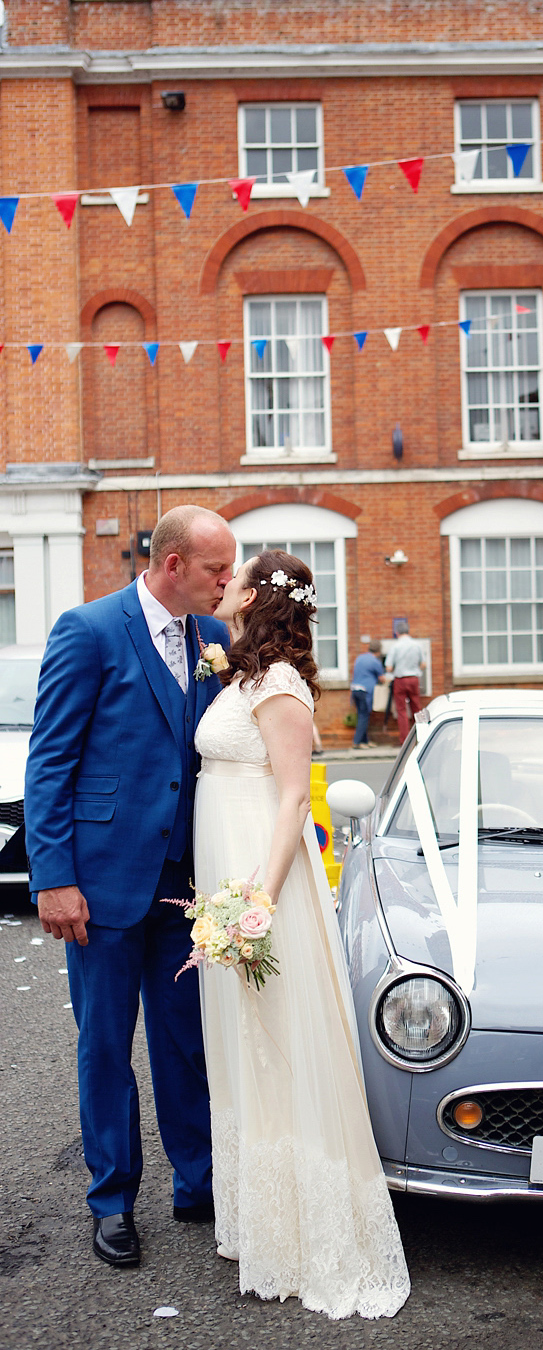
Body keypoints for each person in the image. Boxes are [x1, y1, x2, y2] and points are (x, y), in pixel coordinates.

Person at [193, 550, 409, 1317]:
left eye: (235, 577)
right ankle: (262, 1221)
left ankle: (303, 1231)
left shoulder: (280, 684)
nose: (224, 586)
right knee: (242, 1042)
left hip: (262, 874)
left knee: (276, 1040)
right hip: (229, 864)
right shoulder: (244, 674)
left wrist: (260, 900)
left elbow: (292, 800)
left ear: (258, 595)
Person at [24, 506, 237, 1268]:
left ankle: (198, 1181)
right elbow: (49, 762)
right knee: (106, 1046)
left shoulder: (214, 639)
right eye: (217, 570)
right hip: (102, 882)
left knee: (186, 1041)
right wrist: (54, 879)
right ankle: (111, 1199)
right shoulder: (87, 630)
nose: (227, 582)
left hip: (187, 883)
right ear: (172, 564)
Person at [384, 623, 425, 741]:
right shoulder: (417, 645)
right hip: (413, 678)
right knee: (416, 708)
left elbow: (389, 667)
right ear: (408, 631)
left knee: (401, 710)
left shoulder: (395, 647)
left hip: (400, 680)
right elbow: (423, 664)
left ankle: (405, 739)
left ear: (397, 633)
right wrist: (416, 669)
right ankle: (421, 735)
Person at [349, 639, 384, 747]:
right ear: (378, 651)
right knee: (364, 716)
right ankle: (357, 742)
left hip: (355, 689)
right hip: (365, 691)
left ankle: (365, 741)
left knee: (362, 715)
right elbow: (382, 678)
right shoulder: (375, 661)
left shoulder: (360, 658)